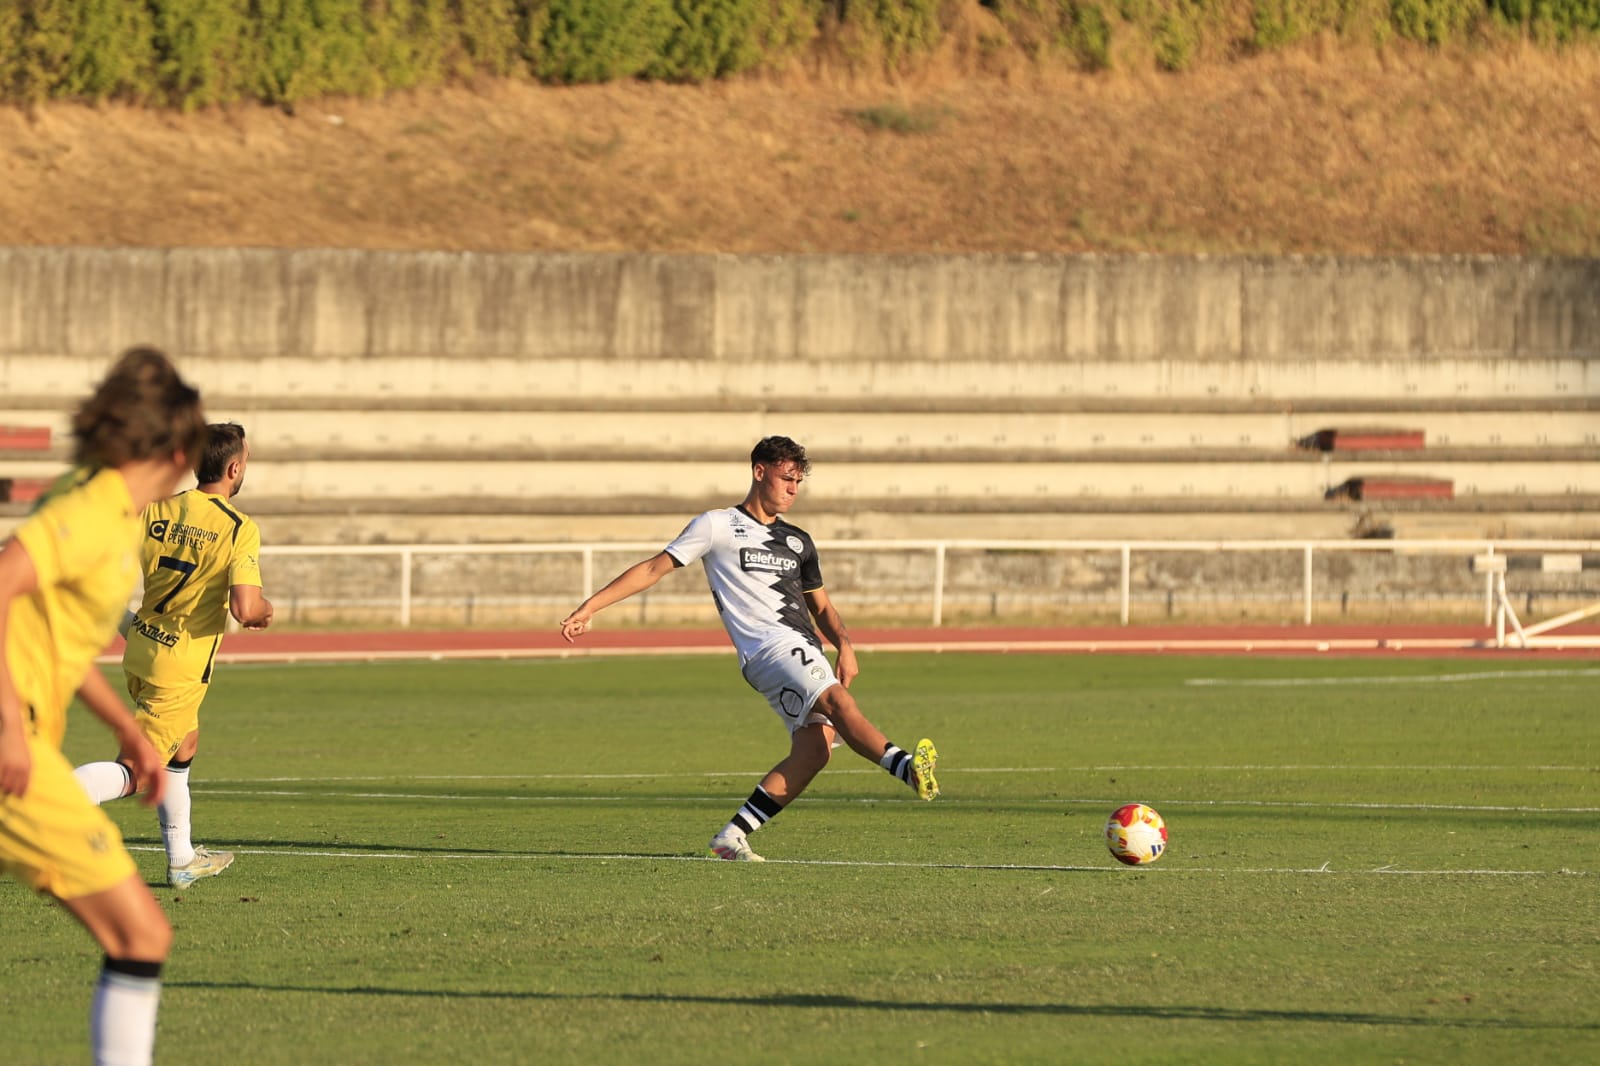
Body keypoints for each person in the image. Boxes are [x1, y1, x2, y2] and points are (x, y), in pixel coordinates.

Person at [560, 435, 939, 862]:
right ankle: (906, 767)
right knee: (837, 700)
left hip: (802, 647)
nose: (793, 489)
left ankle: (732, 836)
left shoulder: (799, 542)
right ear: (760, 472)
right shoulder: (716, 525)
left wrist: (846, 646)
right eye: (786, 478)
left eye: (798, 482)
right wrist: (589, 608)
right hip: (769, 648)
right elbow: (653, 567)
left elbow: (823, 606)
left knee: (814, 751)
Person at [1, 346, 207, 1066]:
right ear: (180, 452)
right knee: (141, 935)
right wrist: (7, 731)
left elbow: (59, 641)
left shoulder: (111, 506)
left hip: (28, 742)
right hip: (13, 755)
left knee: (140, 937)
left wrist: (129, 730)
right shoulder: (90, 510)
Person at [75, 422, 272, 889]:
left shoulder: (159, 508)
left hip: (141, 645)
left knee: (183, 744)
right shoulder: (237, 528)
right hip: (179, 666)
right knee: (137, 770)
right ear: (234, 467)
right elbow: (245, 608)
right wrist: (265, 610)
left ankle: (182, 859)